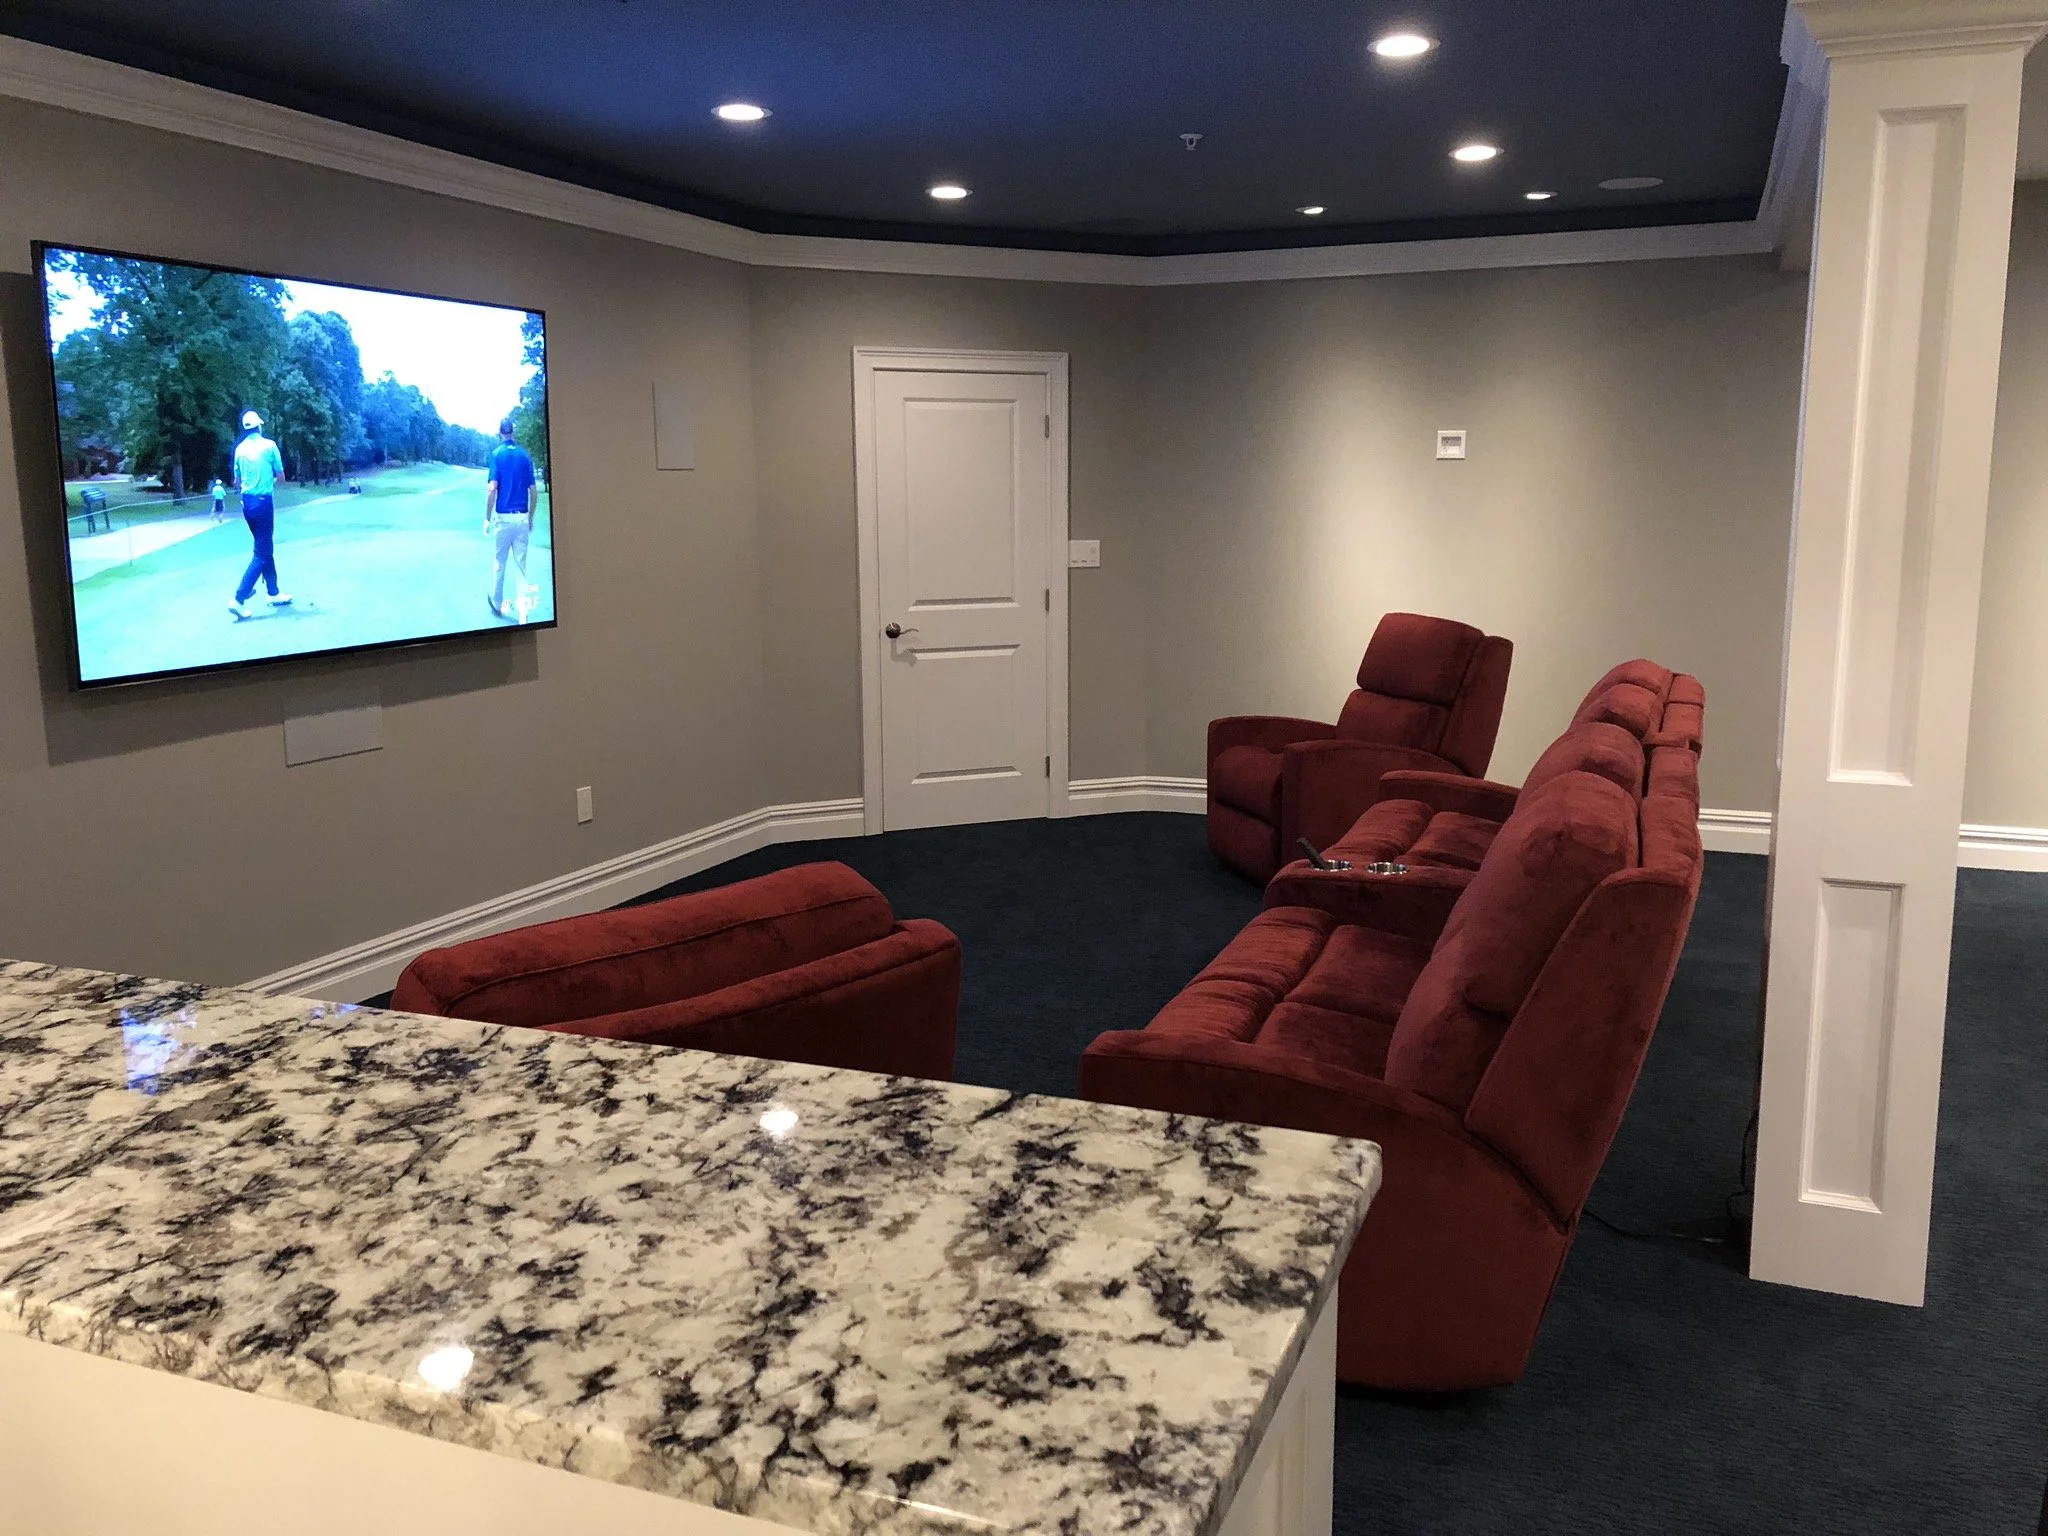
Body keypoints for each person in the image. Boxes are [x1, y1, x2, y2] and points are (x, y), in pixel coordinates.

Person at [229, 410, 291, 619]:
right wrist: (270, 481)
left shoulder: (239, 449)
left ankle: (273, 592)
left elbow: (236, 482)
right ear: (259, 426)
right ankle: (239, 598)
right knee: (261, 553)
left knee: (265, 547)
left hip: (247, 504)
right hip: (264, 503)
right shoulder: (269, 446)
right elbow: (281, 477)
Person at [484, 417, 538, 620]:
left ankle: (497, 604)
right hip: (522, 517)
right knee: (521, 566)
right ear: (512, 433)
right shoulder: (525, 456)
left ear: (500, 433)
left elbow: (492, 490)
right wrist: (531, 518)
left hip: (504, 519)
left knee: (500, 562)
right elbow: (533, 492)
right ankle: (524, 609)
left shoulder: (496, 454)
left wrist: (487, 518)